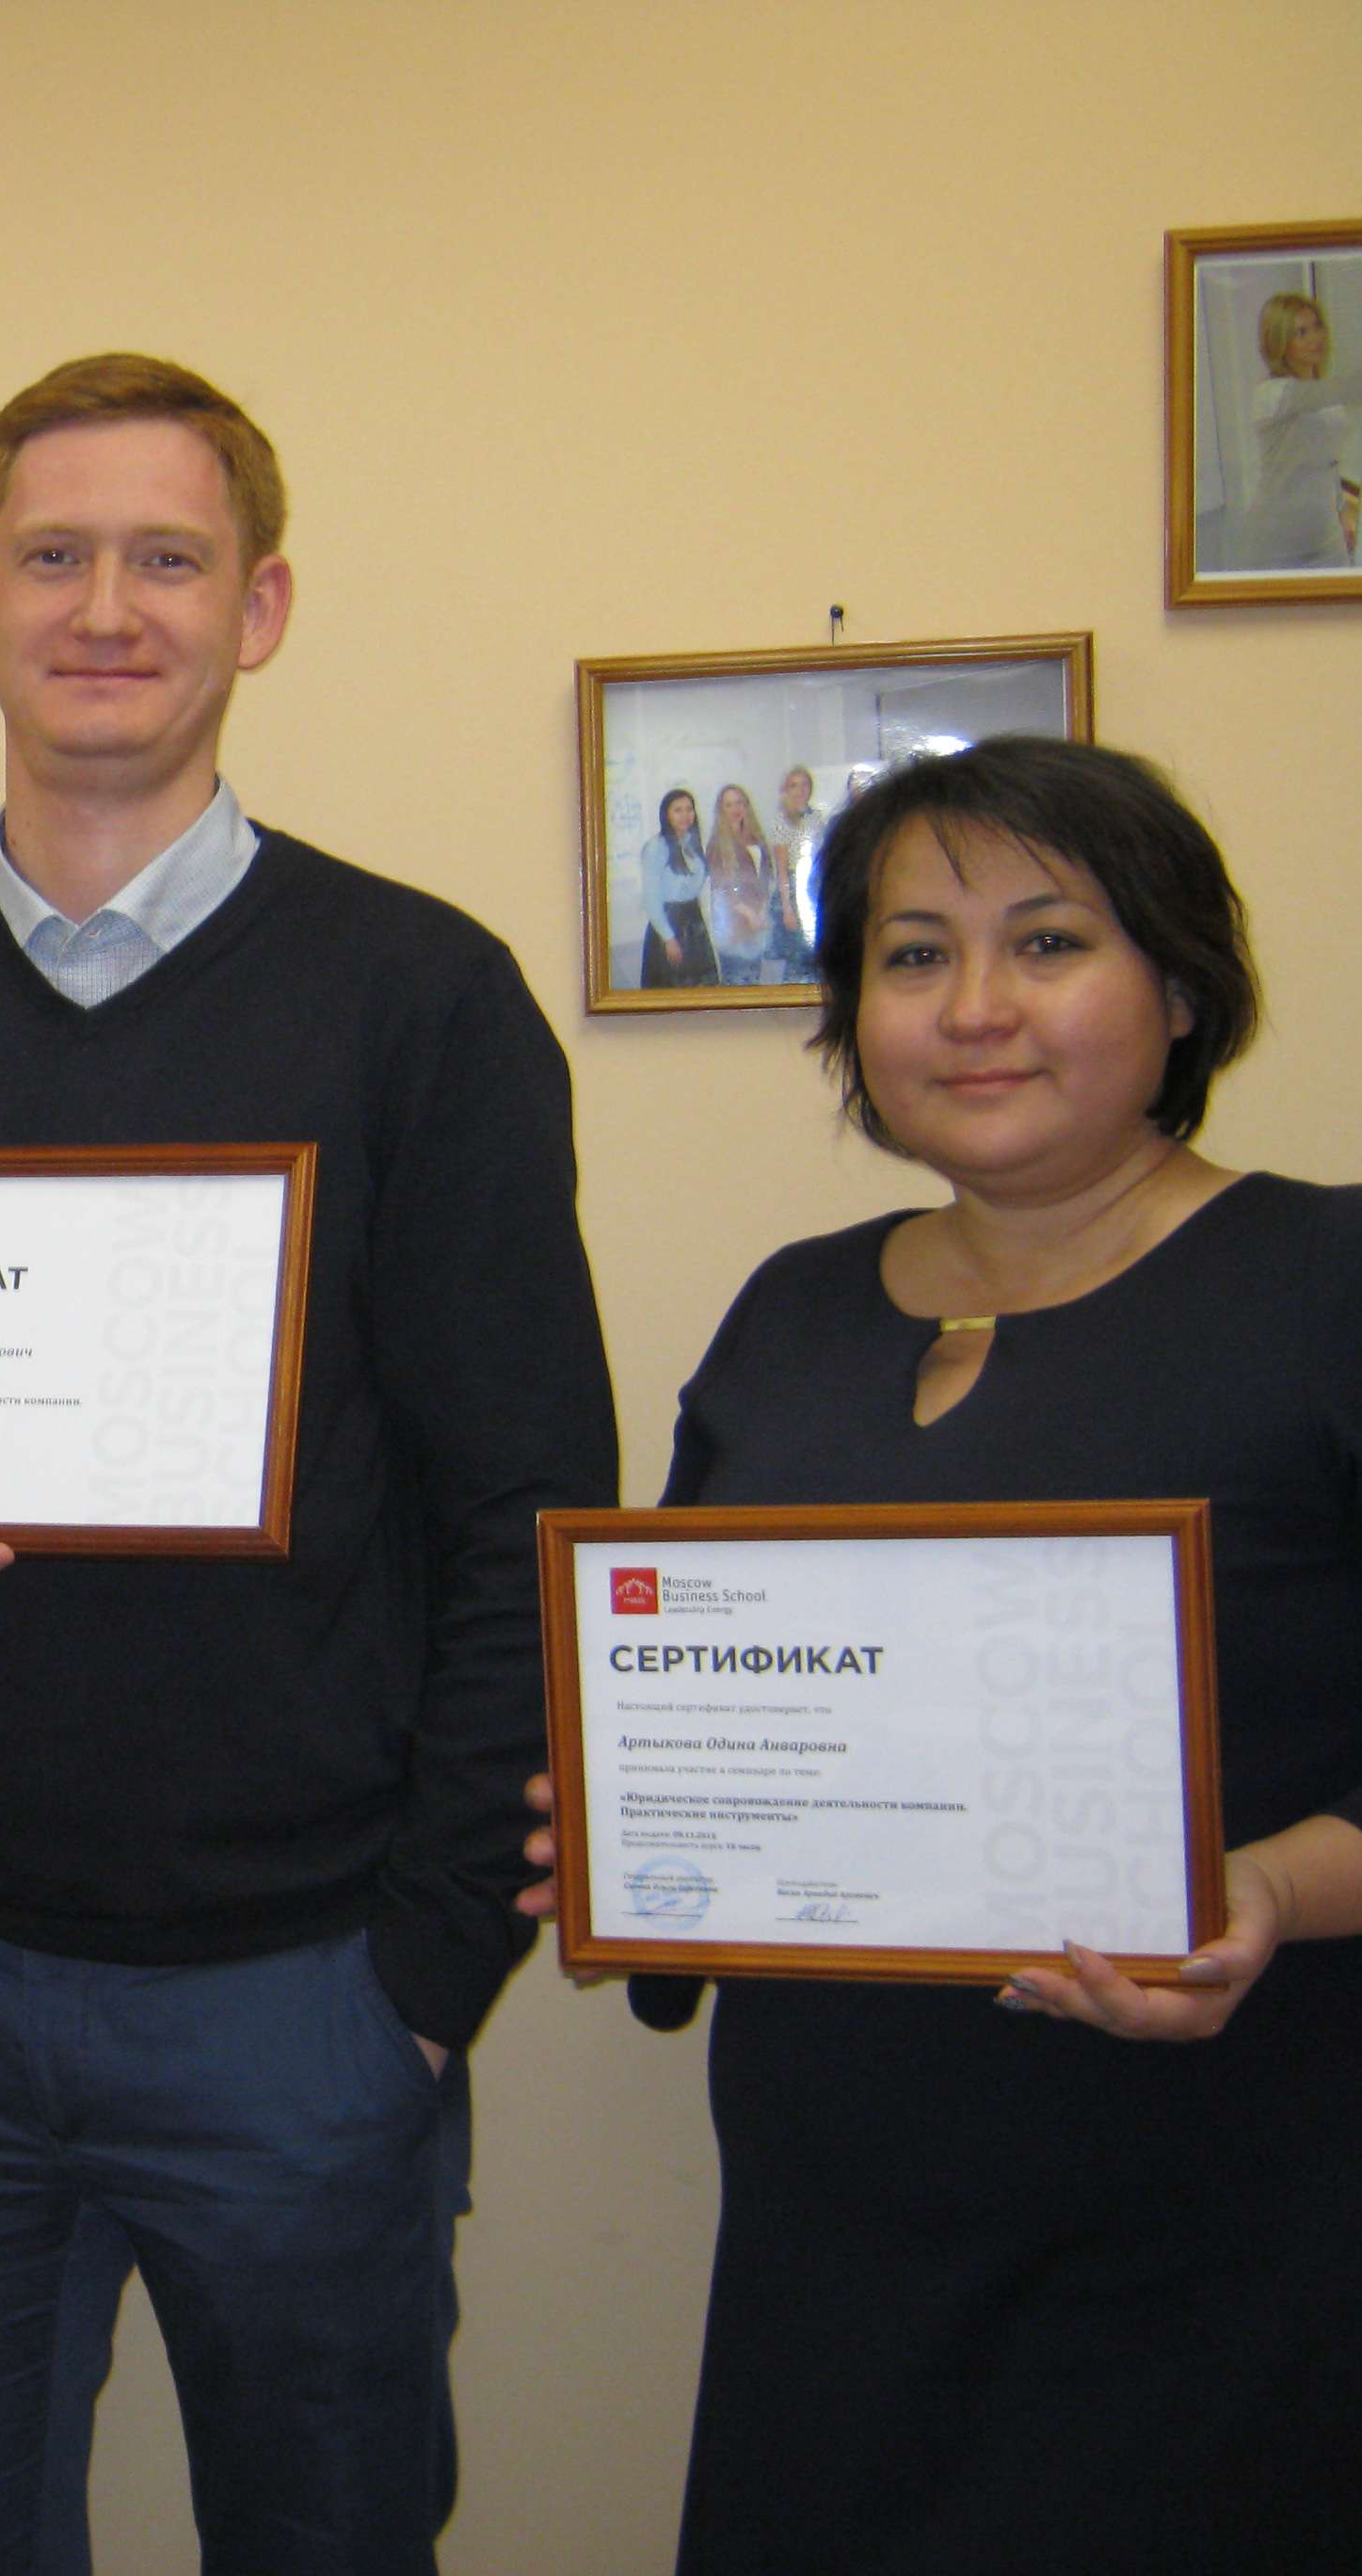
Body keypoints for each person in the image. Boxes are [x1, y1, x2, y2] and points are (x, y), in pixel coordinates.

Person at [0, 353, 617, 2575]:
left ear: (259, 607)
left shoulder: (423, 998)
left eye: (168, 559)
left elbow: (528, 1516)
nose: (106, 608)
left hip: (302, 1987)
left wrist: (422, 1978)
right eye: (54, 555)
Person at [523, 733, 1362, 2572]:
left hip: (1220, 2220)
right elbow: (694, 1668)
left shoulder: (1326, 1283)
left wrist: (1271, 1890)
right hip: (837, 2236)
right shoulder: (796, 1307)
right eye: (913, 955)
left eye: (1048, 942)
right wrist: (623, 1816)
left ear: (1178, 986)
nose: (974, 1007)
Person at [1244, 287, 1360, 569]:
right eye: (1301, 332)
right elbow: (1342, 390)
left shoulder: (1323, 397)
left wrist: (1343, 511)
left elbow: (1327, 463)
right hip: (1278, 539)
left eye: (1317, 326)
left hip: (1327, 535)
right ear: (1280, 343)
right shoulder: (1271, 395)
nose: (1315, 338)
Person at [637, 789, 718, 988]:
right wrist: (669, 938)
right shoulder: (655, 847)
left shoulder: (692, 843)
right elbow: (651, 899)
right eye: (678, 810)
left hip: (694, 921)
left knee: (702, 990)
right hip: (669, 924)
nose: (685, 815)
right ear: (666, 814)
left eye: (689, 809)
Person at [702, 783, 780, 984]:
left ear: (746, 805)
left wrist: (761, 911)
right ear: (721, 810)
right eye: (728, 805)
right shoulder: (717, 844)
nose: (735, 809)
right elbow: (723, 888)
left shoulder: (756, 838)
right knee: (737, 983)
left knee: (753, 980)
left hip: (757, 922)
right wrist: (749, 914)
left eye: (739, 803)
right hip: (733, 925)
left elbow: (766, 878)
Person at [767, 765, 831, 968]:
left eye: (804, 784)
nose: (800, 790)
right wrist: (787, 908)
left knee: (817, 952)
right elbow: (781, 869)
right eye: (794, 785)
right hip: (793, 889)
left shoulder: (817, 817)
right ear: (786, 790)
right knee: (797, 955)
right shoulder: (781, 820)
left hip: (815, 884)